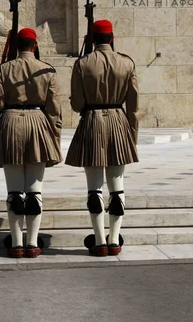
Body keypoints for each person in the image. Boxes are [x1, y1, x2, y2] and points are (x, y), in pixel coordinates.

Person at [0, 28, 62, 258]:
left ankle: (17, 243)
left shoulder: (4, 68)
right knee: (34, 191)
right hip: (38, 123)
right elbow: (54, 107)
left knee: (15, 191)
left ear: (17, 46)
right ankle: (33, 242)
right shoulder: (47, 69)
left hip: (10, 123)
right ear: (35, 45)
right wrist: (54, 135)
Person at [65, 20, 139, 257]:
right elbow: (134, 106)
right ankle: (115, 239)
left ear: (92, 39)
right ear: (112, 37)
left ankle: (99, 240)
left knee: (94, 189)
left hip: (93, 121)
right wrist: (131, 137)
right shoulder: (127, 63)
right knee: (117, 189)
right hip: (119, 121)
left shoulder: (82, 63)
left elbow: (77, 104)